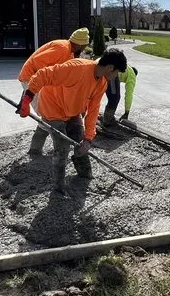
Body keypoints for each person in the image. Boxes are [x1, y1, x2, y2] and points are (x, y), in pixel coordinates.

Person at [19, 48, 128, 193]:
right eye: (117, 72)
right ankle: (58, 188)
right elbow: (43, 74)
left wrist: (88, 139)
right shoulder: (77, 68)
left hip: (72, 111)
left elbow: (93, 111)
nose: (116, 76)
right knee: (62, 147)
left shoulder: (102, 83)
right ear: (110, 68)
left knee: (80, 141)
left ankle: (85, 175)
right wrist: (27, 99)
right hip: (53, 108)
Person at [17, 28, 91, 94]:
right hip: (31, 78)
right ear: (79, 45)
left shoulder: (70, 53)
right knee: (43, 104)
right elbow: (38, 61)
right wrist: (44, 81)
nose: (83, 49)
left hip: (37, 79)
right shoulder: (62, 48)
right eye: (84, 46)